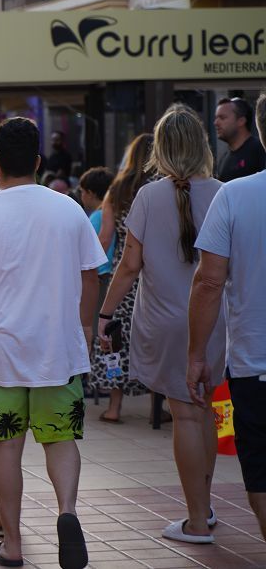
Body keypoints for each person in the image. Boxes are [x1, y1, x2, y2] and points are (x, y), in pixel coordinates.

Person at [0, 117, 104, 569]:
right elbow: (92, 275)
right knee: (60, 439)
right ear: (37, 162)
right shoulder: (68, 210)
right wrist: (83, 327)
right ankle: (67, 511)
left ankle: (13, 543)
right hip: (58, 351)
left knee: (5, 446)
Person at [96, 106, 224, 543]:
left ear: (162, 149)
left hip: (165, 322)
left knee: (184, 417)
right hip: (213, 320)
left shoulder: (149, 197)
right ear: (203, 144)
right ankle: (204, 508)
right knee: (203, 411)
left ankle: (195, 520)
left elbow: (129, 267)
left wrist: (105, 314)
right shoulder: (224, 193)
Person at [188, 93, 266, 541]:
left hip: (255, 364)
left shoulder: (234, 196)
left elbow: (209, 281)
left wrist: (197, 355)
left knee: (260, 472)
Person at [92, 133, 155, 422]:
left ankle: (114, 407)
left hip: (123, 274)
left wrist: (89, 269)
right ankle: (159, 405)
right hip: (154, 274)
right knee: (152, 340)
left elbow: (104, 238)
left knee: (115, 339)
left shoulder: (116, 191)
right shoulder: (159, 189)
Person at [77, 167, 116, 347]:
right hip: (111, 274)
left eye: (82, 192)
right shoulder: (113, 213)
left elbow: (91, 247)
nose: (81, 196)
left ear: (91, 193)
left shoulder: (97, 216)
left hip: (99, 276)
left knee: (92, 322)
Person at [214, 97, 266, 182]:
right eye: (216, 118)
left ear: (241, 121)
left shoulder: (259, 149)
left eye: (222, 118)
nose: (216, 123)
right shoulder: (224, 158)